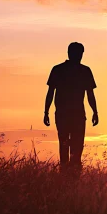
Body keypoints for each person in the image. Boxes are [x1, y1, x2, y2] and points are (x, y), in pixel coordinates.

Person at [43, 42, 98, 175]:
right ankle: (68, 174)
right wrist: (46, 112)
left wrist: (95, 112)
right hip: (69, 114)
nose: (78, 56)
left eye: (80, 54)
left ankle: (71, 174)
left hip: (71, 114)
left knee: (72, 145)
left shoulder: (64, 70)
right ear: (70, 53)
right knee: (68, 144)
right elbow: (50, 92)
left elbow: (90, 94)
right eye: (77, 53)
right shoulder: (77, 70)